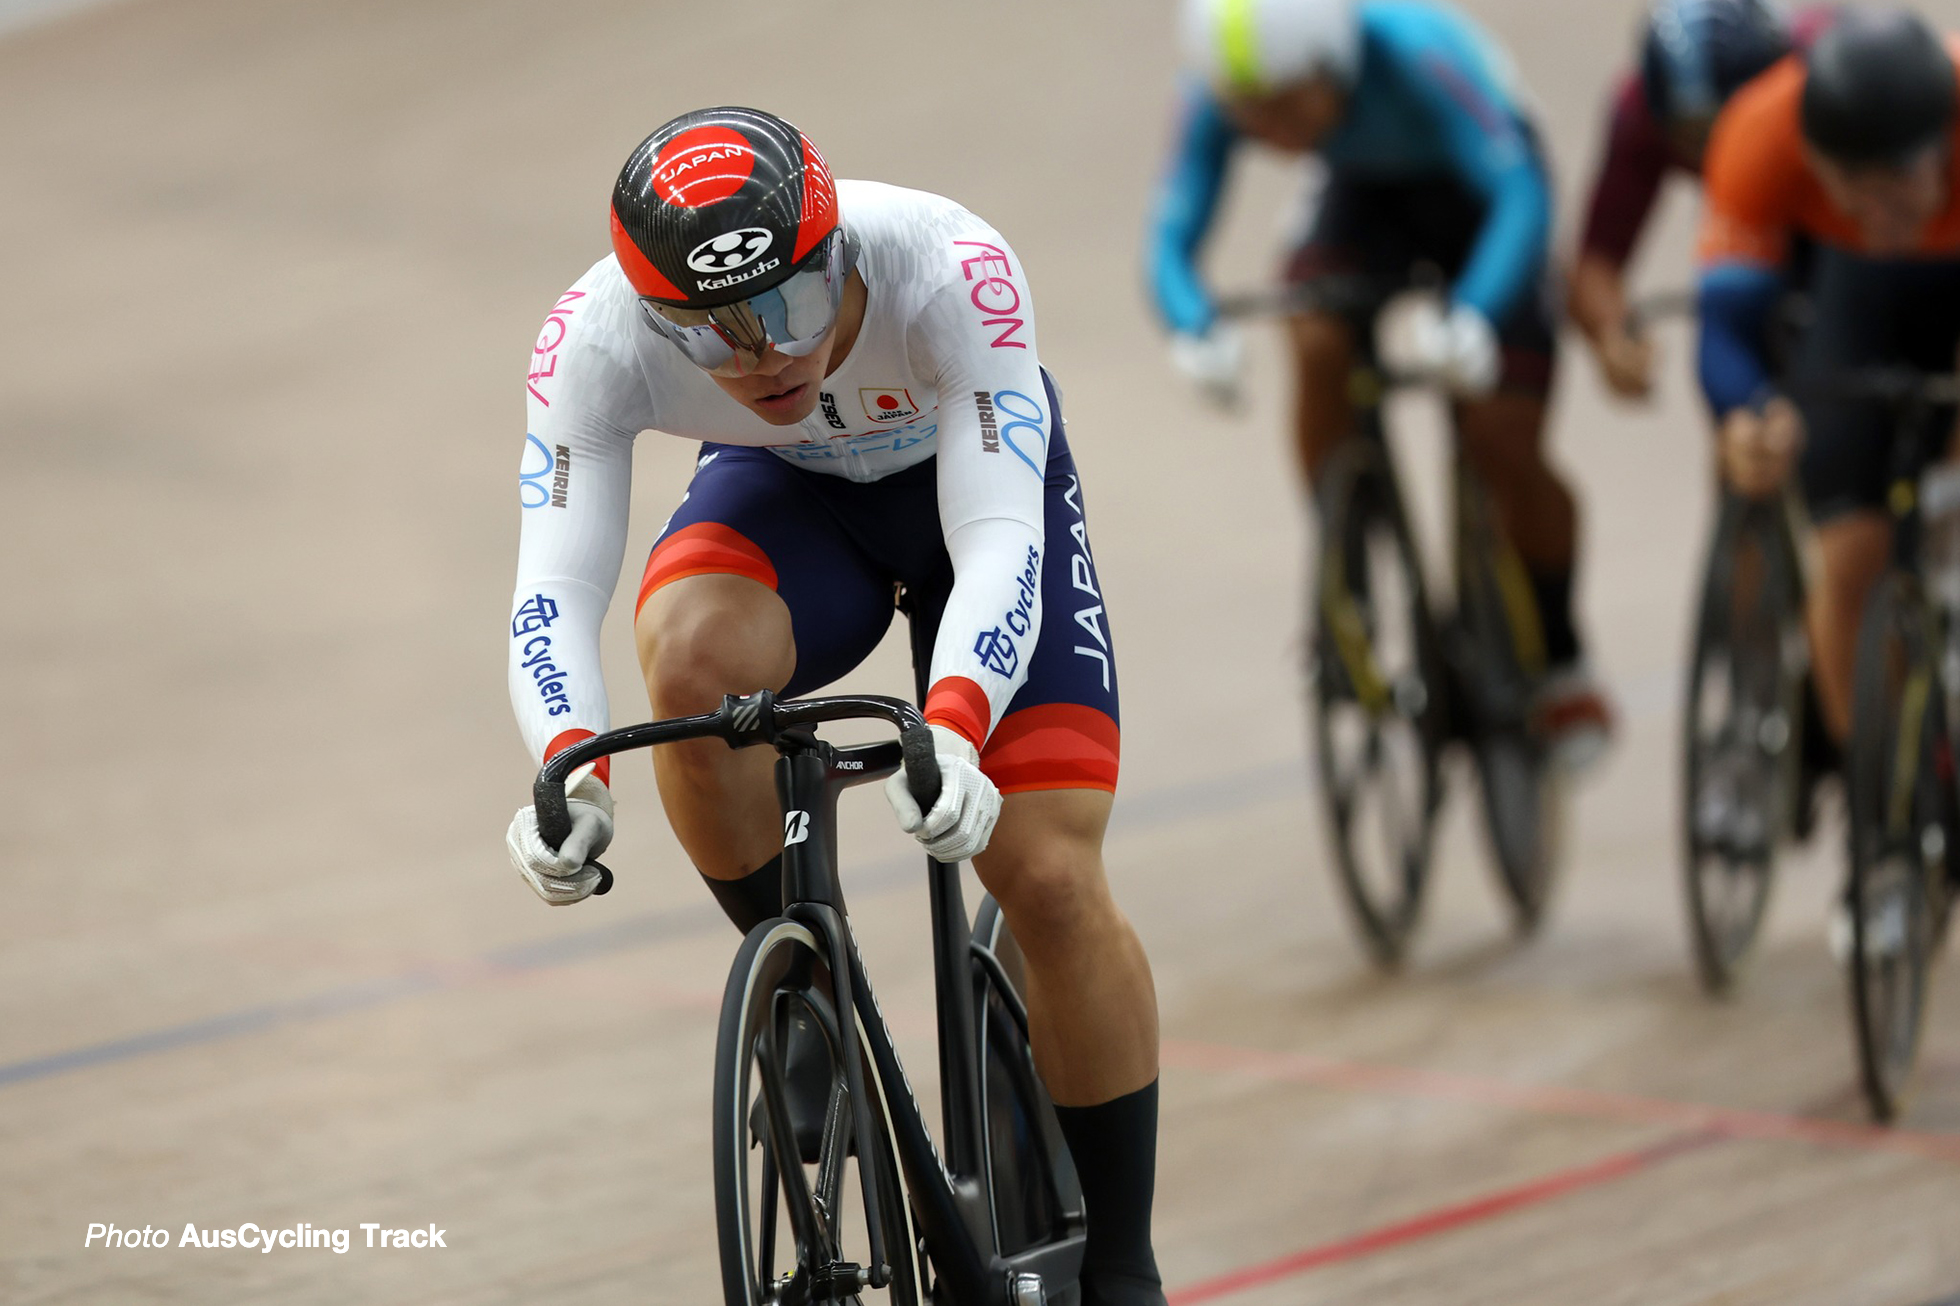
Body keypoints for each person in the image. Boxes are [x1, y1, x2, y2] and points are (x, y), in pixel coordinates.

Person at [499, 107, 1166, 1305]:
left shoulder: (949, 266)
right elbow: (554, 583)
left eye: (796, 308)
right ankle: (807, 989)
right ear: (649, 317)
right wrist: (566, 766)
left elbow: (1000, 536)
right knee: (689, 668)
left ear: (838, 248)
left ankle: (1121, 1264)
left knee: (1048, 873)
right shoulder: (589, 337)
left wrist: (955, 723)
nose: (766, 359)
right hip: (796, 504)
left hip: (976, 505)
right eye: (710, 338)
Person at [1151, 0, 1612, 768]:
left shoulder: (1413, 52)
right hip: (1361, 197)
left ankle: (1563, 657)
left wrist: (1474, 313)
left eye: (1289, 109)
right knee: (1314, 333)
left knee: (1502, 432)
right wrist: (1193, 325)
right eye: (1251, 116)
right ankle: (1348, 570)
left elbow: (1521, 192)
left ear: (1334, 69)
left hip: (1484, 198)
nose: (1270, 133)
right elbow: (1169, 232)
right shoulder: (1223, 86)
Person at [1697, 7, 1960, 756]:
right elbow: (1726, 324)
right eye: (1852, 185)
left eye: (1899, 181)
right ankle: (1874, 811)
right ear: (1812, 157)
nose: (1878, 211)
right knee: (1847, 551)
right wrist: (1747, 414)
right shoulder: (1759, 132)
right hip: (1858, 295)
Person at [1570, 0, 1823, 399]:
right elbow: (1596, 262)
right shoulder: (1639, 117)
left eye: (1740, 130)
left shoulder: (1824, 72)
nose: (1723, 157)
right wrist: (1613, 334)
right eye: (1696, 139)